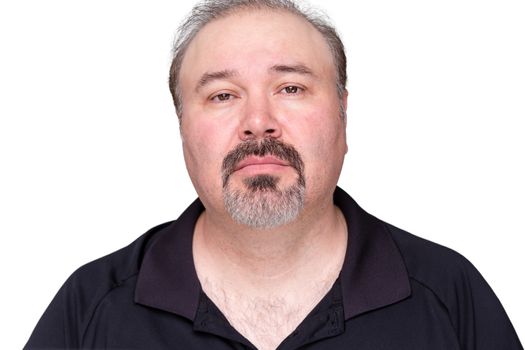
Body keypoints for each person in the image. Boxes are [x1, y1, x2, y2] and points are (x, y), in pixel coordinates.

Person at [25, 0, 523, 349]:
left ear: (343, 116)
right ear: (182, 127)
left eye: (290, 88)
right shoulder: (91, 308)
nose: (257, 120)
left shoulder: (450, 296)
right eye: (222, 95)